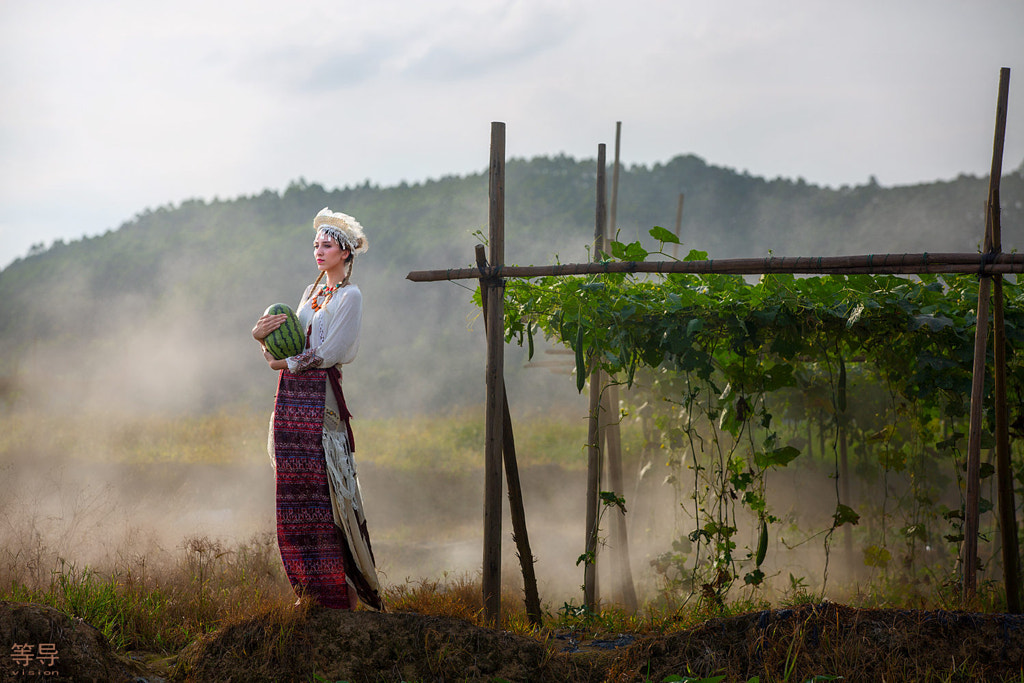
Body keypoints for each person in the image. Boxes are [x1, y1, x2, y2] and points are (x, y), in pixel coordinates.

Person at [251, 207, 384, 611]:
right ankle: (309, 593)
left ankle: (342, 594)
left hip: (321, 404)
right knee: (294, 497)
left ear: (345, 252)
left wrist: (287, 363)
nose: (319, 251)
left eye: (326, 245)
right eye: (316, 245)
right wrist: (260, 339)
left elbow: (331, 352)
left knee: (328, 499)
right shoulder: (308, 297)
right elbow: (286, 347)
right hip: (290, 400)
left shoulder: (350, 297)